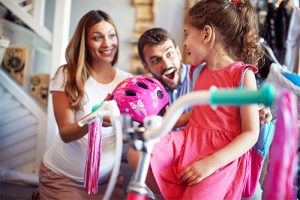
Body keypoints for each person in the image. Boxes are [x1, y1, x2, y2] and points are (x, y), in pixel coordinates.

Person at [128, 0, 265, 199]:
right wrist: (165, 124)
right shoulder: (198, 71)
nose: (185, 43)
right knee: (137, 152)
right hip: (189, 140)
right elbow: (203, 113)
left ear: (206, 34)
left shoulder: (243, 75)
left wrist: (213, 162)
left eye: (187, 33)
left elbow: (251, 133)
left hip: (220, 155)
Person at [37, 10, 132, 199]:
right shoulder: (67, 75)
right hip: (62, 179)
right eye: (97, 37)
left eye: (111, 36)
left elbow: (126, 135)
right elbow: (65, 133)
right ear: (85, 43)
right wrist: (95, 117)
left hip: (105, 181)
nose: (107, 43)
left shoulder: (127, 81)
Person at [137, 27, 272, 129]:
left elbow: (237, 100)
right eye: (155, 60)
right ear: (146, 66)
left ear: (178, 53)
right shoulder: (145, 93)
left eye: (169, 54)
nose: (166, 64)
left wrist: (259, 108)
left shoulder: (204, 74)